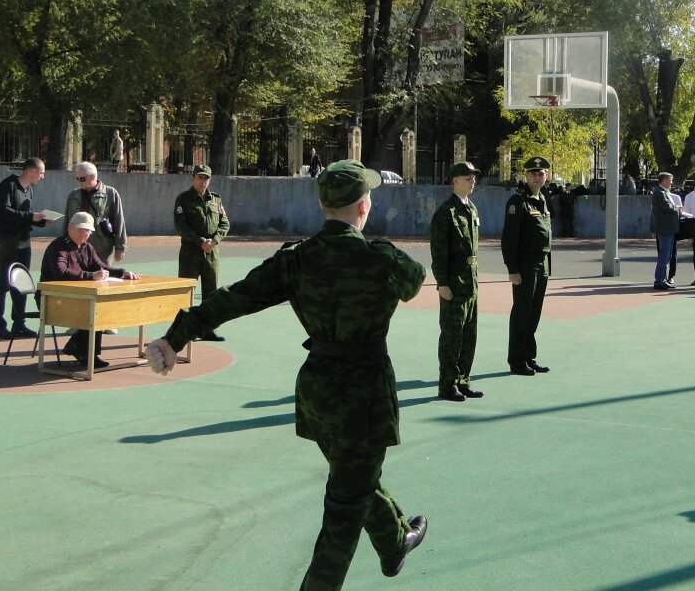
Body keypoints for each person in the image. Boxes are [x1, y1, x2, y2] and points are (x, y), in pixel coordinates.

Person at [145, 160, 428, 589]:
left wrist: (176, 336)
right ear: (364, 205)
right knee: (344, 507)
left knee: (352, 481)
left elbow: (233, 299)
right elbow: (416, 280)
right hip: (364, 394)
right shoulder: (381, 258)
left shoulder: (296, 261)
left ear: (321, 204)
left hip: (318, 390)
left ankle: (394, 543)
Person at [42, 212, 139, 369]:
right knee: (93, 310)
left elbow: (100, 266)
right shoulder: (58, 247)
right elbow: (61, 273)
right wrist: (91, 276)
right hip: (53, 298)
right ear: (69, 227)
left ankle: (85, 352)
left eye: (87, 231)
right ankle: (82, 351)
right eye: (80, 229)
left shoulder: (87, 247)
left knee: (99, 308)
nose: (84, 233)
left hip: (75, 297)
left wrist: (122, 272)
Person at [430, 162, 483, 402]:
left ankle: (463, 381)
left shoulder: (471, 208)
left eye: (473, 177)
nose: (472, 180)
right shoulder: (446, 212)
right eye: (467, 177)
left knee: (469, 335)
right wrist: (442, 283)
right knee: (452, 336)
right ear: (455, 180)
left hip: (470, 282)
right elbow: (439, 252)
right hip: (453, 282)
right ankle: (447, 384)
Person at [503, 156, 554, 374]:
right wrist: (512, 269)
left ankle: (528, 356)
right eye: (533, 173)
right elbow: (509, 238)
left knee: (534, 313)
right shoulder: (518, 202)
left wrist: (548, 267)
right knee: (522, 312)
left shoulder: (542, 199)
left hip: (542, 265)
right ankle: (517, 360)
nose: (537, 176)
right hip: (525, 264)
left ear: (546, 176)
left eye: (541, 173)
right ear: (526, 176)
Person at [0, 157, 48, 339]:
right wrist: (31, 216)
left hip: (24, 242)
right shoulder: (8, 186)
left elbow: (25, 217)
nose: (42, 177)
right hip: (7, 241)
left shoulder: (29, 189)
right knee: (3, 283)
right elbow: (4, 212)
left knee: (21, 282)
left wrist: (42, 221)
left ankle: (19, 324)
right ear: (31, 171)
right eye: (41, 172)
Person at [174, 165, 230, 342]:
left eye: (206, 178)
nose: (203, 181)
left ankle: (208, 330)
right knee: (185, 292)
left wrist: (214, 241)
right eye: (200, 177)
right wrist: (200, 241)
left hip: (212, 253)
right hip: (191, 252)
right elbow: (181, 225)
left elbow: (224, 224)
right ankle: (183, 331)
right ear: (193, 178)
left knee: (211, 294)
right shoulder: (183, 199)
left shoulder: (215, 200)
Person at [64, 161, 127, 263]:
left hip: (102, 249)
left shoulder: (110, 193)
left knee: (103, 276)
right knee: (78, 277)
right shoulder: (73, 196)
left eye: (82, 179)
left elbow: (119, 221)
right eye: (77, 179)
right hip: (76, 247)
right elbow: (68, 221)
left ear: (93, 177)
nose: (79, 182)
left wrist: (120, 247)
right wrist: (64, 244)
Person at [649, 172, 680, 290]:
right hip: (664, 228)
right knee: (664, 255)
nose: (671, 182)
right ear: (664, 180)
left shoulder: (664, 192)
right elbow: (667, 207)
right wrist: (677, 208)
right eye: (670, 180)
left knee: (667, 255)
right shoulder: (659, 193)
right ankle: (659, 280)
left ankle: (663, 279)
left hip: (669, 228)